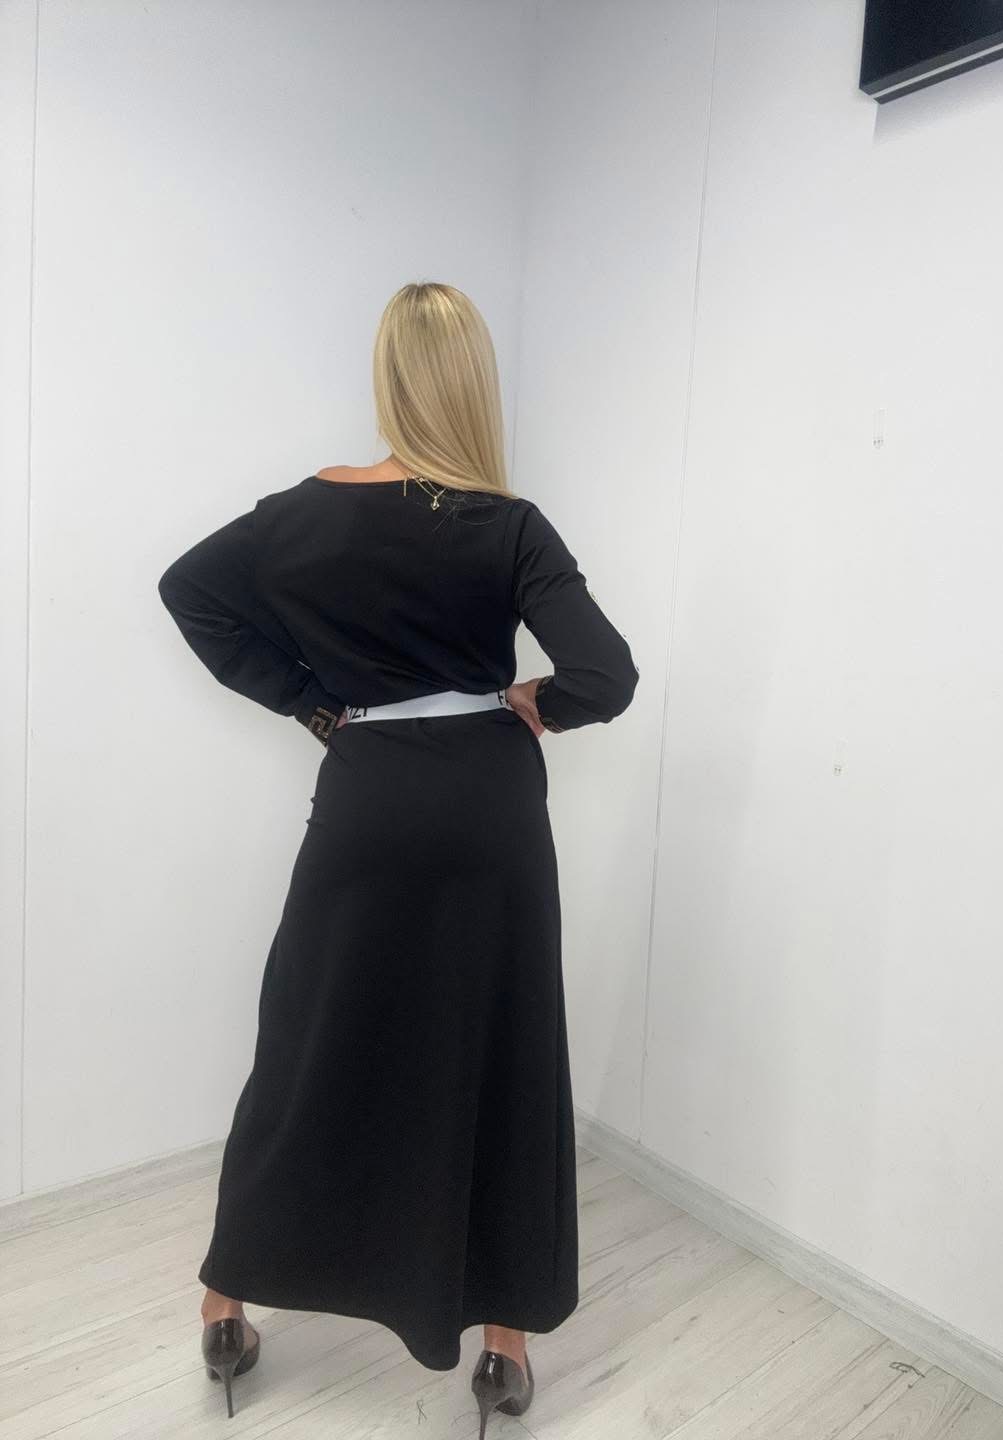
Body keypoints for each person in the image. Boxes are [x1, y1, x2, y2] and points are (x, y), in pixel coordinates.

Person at [156, 281, 639, 1427]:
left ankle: (224, 1304)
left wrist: (312, 702)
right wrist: (538, 702)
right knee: (503, 1048)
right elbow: (606, 675)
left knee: (309, 1039)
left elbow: (189, 589)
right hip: (490, 808)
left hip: (367, 794)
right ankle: (504, 1345)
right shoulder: (509, 524)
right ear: (472, 386)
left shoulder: (301, 512)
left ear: (387, 380)